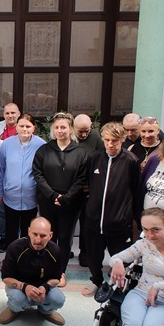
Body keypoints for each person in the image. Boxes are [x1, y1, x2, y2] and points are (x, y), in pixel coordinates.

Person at [84, 121, 142, 289]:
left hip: (119, 222)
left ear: (122, 139)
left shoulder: (131, 161)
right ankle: (96, 281)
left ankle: (115, 285)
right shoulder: (94, 158)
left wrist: (135, 218)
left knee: (120, 257)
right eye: (107, 140)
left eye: (114, 141)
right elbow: (88, 184)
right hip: (94, 221)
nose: (110, 144)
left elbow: (136, 191)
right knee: (93, 256)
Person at [32, 112, 87, 260]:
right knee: (48, 236)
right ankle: (47, 266)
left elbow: (81, 178)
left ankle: (61, 269)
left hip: (70, 203)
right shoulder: (44, 150)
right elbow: (38, 174)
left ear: (71, 129)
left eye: (63, 127)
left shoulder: (80, 153)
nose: (59, 131)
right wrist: (53, 196)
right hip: (47, 201)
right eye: (56, 127)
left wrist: (66, 197)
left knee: (65, 238)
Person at [0, 217, 66, 326]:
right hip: (19, 286)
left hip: (44, 286)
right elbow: (6, 278)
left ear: (50, 235)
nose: (38, 240)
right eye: (35, 234)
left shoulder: (55, 251)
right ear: (29, 231)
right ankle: (13, 309)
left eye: (43, 236)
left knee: (58, 300)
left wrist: (45, 287)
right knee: (17, 299)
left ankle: (46, 311)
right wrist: (24, 287)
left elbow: (57, 278)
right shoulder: (14, 248)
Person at [0, 112, 46, 247]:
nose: (25, 129)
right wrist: (0, 192)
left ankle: (25, 256)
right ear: (16, 127)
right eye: (21, 126)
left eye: (28, 126)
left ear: (33, 128)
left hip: (31, 197)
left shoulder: (41, 145)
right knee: (11, 230)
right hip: (10, 196)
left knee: (28, 232)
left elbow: (44, 171)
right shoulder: (7, 144)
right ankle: (11, 255)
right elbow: (1, 169)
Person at [71, 113, 103, 266]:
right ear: (73, 128)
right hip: (70, 188)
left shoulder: (96, 138)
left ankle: (84, 252)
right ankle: (65, 249)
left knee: (86, 222)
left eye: (87, 131)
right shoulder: (68, 136)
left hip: (88, 188)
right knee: (68, 222)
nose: (84, 135)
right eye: (80, 131)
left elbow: (102, 160)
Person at [0, 102, 20, 251]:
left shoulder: (22, 126)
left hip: (19, 174)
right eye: (7, 113)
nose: (10, 116)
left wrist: (4, 144)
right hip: (0, 173)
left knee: (18, 209)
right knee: (1, 209)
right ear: (3, 115)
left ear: (18, 114)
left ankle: (17, 239)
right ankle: (4, 237)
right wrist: (15, 143)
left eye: (13, 113)